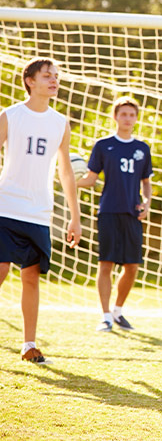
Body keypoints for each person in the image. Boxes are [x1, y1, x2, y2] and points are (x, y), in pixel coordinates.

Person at [0, 57, 82, 364]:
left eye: (56, 76)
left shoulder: (60, 122)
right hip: (5, 206)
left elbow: (66, 171)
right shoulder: (10, 115)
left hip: (38, 212)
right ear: (30, 81)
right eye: (47, 75)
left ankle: (29, 344)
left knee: (31, 276)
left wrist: (75, 216)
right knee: (1, 270)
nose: (54, 80)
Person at [77, 97, 152, 332]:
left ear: (136, 118)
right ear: (115, 117)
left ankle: (118, 311)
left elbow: (146, 182)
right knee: (106, 264)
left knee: (132, 266)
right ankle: (106, 315)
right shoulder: (103, 145)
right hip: (109, 211)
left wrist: (147, 203)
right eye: (123, 114)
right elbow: (91, 178)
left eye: (131, 114)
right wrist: (70, 181)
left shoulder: (142, 148)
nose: (127, 118)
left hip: (132, 214)